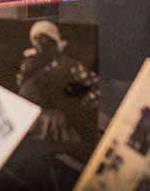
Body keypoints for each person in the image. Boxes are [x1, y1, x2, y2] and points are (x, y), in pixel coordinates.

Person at [16, 20, 100, 150]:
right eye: (37, 39)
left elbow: (93, 89)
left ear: (55, 43)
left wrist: (74, 107)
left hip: (59, 128)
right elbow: (22, 93)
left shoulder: (70, 65)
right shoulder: (29, 65)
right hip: (30, 125)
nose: (40, 43)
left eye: (45, 39)